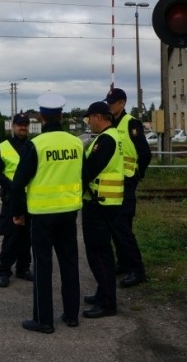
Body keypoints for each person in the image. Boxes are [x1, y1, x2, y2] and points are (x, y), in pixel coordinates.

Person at [10, 93, 83, 334]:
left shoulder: (36, 145)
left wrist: (18, 212)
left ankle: (44, 320)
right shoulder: (76, 143)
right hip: (69, 213)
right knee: (70, 263)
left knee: (43, 266)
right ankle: (72, 315)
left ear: (41, 117)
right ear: (61, 116)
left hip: (42, 215)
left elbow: (18, 183)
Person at [80, 100, 124, 318]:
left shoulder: (105, 140)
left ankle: (107, 302)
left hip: (100, 204)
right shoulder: (111, 136)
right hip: (105, 203)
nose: (88, 122)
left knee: (99, 254)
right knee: (101, 252)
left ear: (97, 117)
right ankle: (102, 293)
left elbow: (89, 170)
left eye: (89, 118)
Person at [105, 87, 152, 288]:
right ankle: (123, 262)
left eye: (112, 103)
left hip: (127, 182)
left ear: (122, 103)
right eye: (108, 102)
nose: (109, 106)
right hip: (112, 184)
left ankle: (137, 270)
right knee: (115, 226)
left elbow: (145, 153)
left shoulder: (131, 123)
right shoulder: (110, 124)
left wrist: (137, 175)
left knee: (123, 227)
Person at [0, 113, 33, 288]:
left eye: (25, 124)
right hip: (12, 199)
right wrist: (11, 185)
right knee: (11, 237)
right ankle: (4, 271)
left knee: (27, 237)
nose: (23, 127)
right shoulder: (4, 147)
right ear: (13, 126)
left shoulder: (34, 146)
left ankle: (23, 268)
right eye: (20, 124)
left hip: (31, 199)